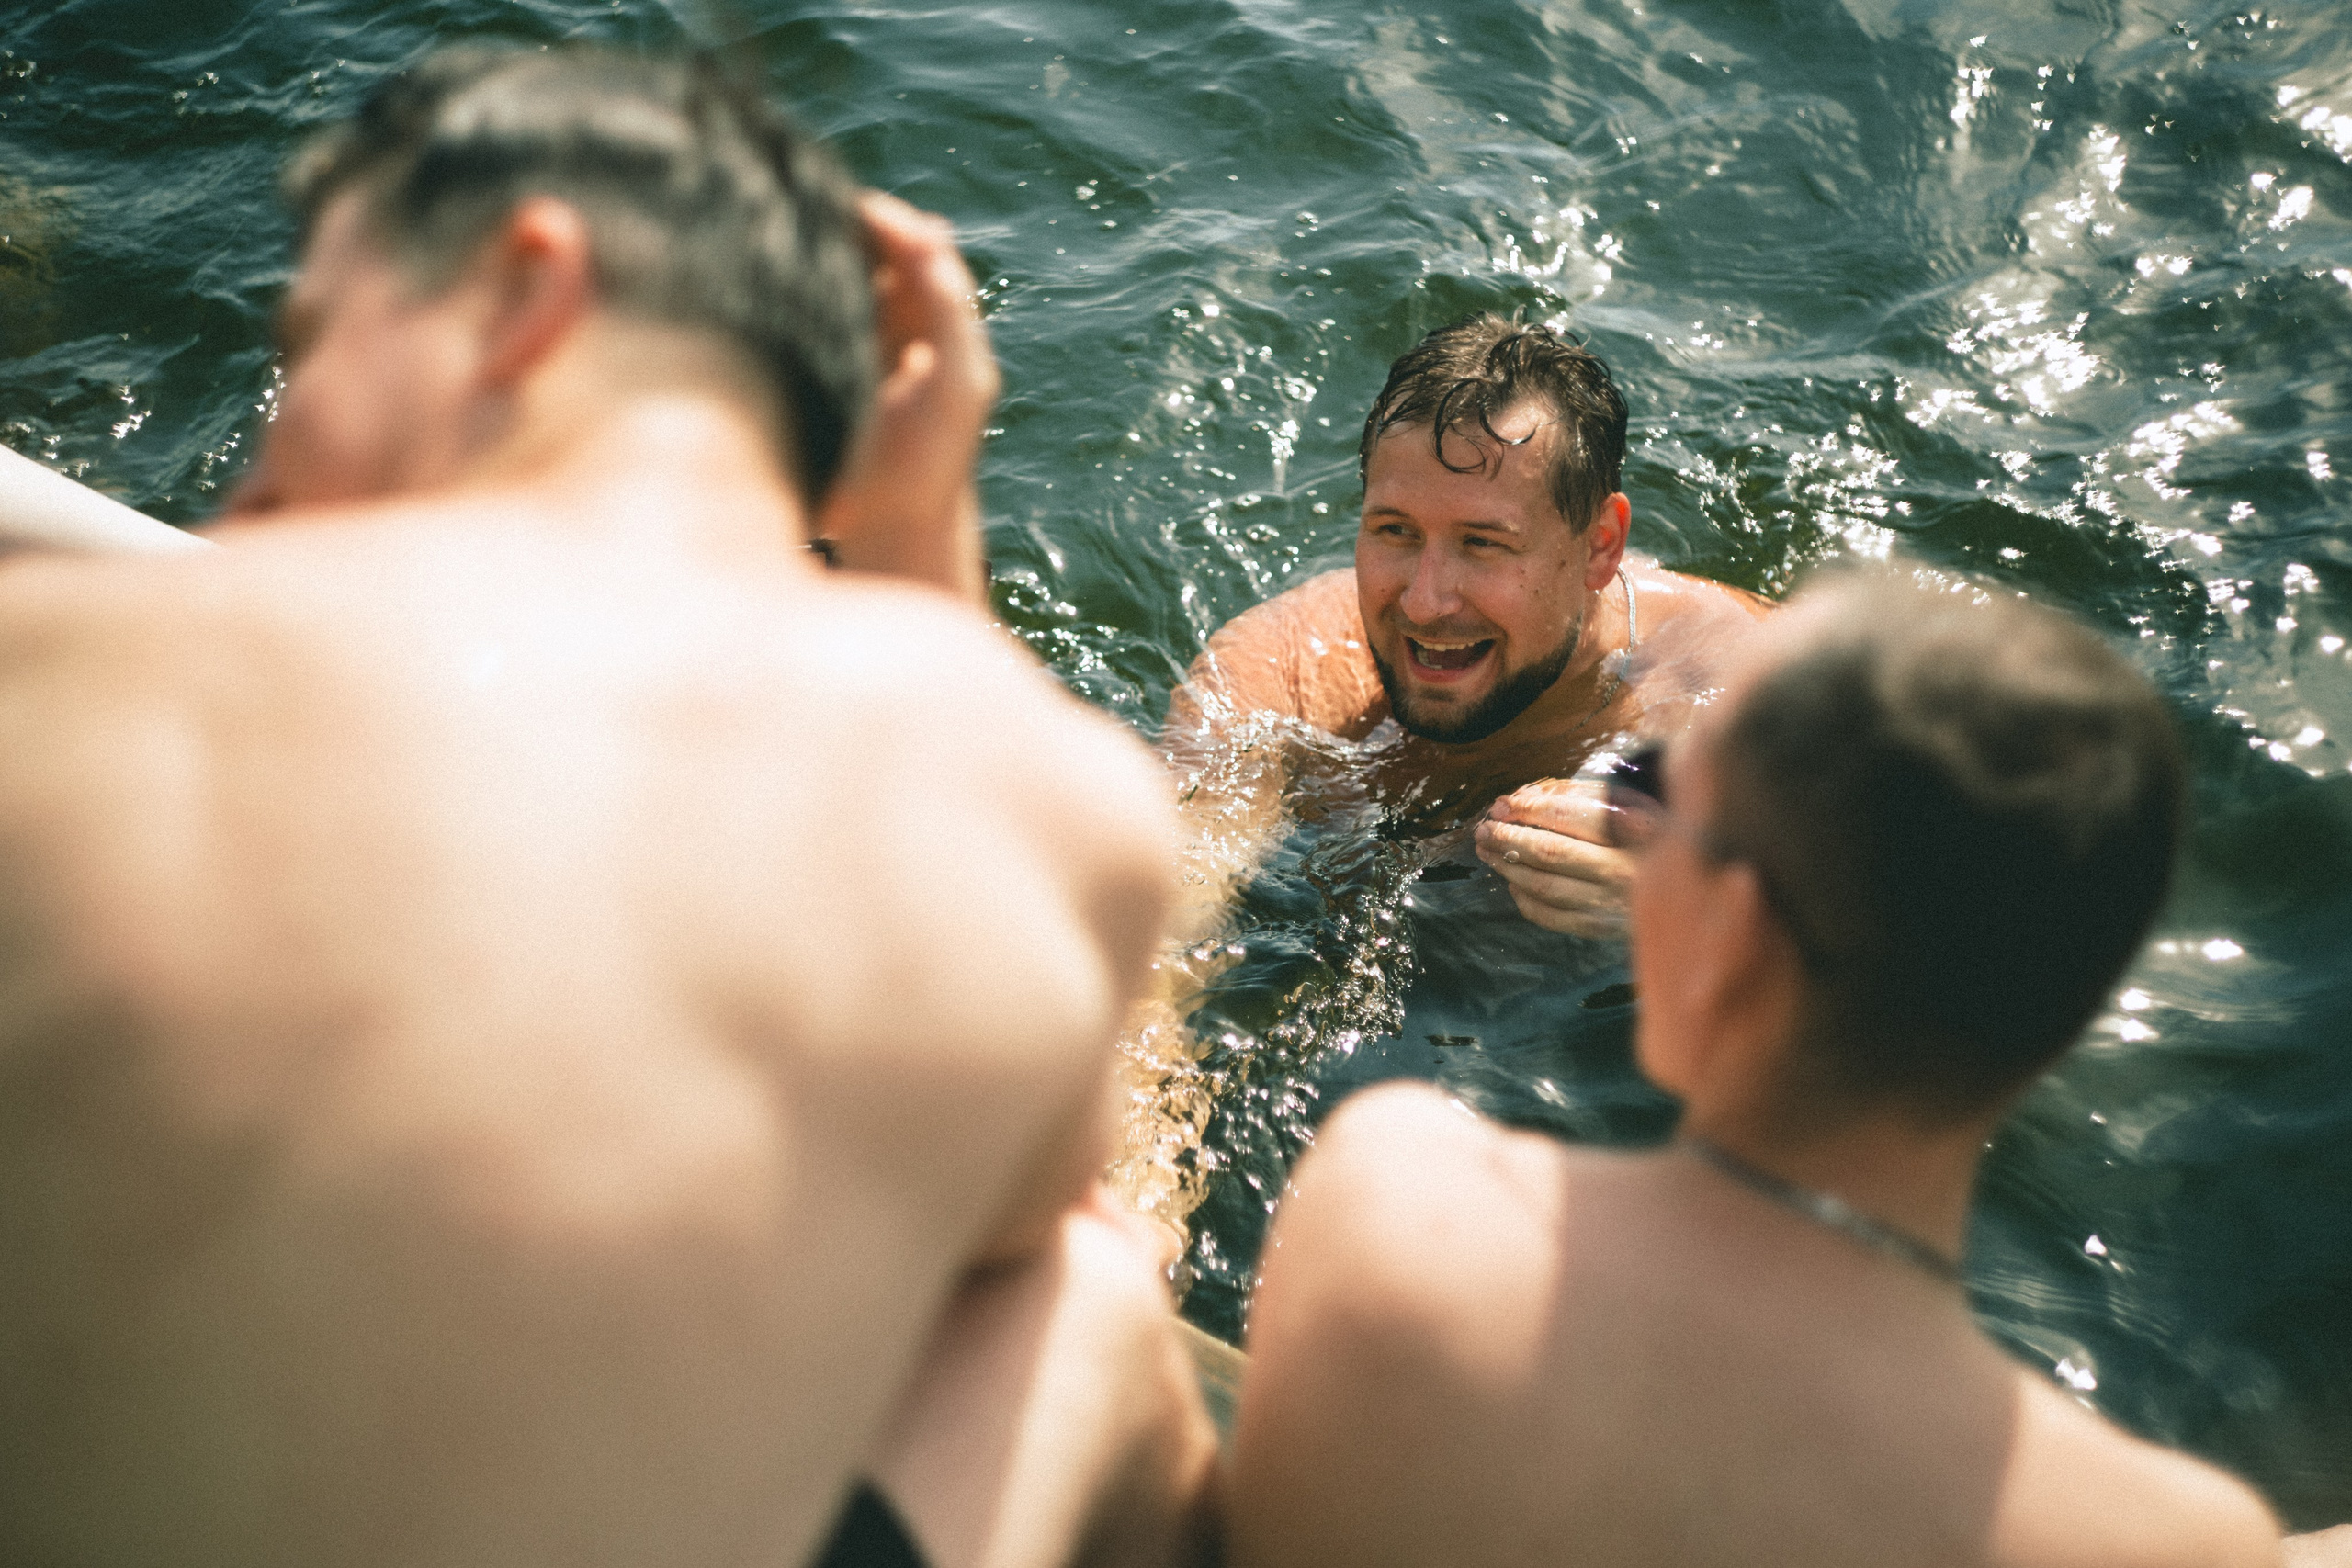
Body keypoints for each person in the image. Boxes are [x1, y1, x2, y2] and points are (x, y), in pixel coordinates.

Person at [0, 46, 1213, 1568]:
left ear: (526, 286)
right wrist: (916, 527)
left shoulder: (45, 675)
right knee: (1084, 1300)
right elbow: (1009, 1213)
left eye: (310, 342)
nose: (264, 469)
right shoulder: (1045, 797)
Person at [1227, 570, 2286, 1567]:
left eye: (1658, 791)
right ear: (2063, 1019)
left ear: (1728, 932)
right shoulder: (2169, 1536)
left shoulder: (1389, 1195)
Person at [1112, 316, 1770, 1227]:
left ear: (1599, 548)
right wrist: (1135, 1198)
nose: (1425, 601)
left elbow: (1912, 910)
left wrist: (1692, 901)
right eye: (1393, 531)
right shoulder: (1281, 677)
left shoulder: (1714, 683)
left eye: (1483, 544)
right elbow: (1147, 944)